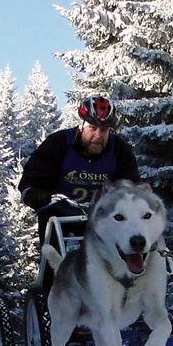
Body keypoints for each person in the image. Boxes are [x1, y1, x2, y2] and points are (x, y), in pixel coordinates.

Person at [18, 96, 141, 241]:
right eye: (92, 128)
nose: (98, 136)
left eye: (103, 130)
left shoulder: (120, 150)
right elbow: (31, 180)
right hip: (60, 216)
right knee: (55, 247)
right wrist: (36, 195)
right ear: (81, 126)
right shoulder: (58, 144)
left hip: (103, 219)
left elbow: (131, 185)